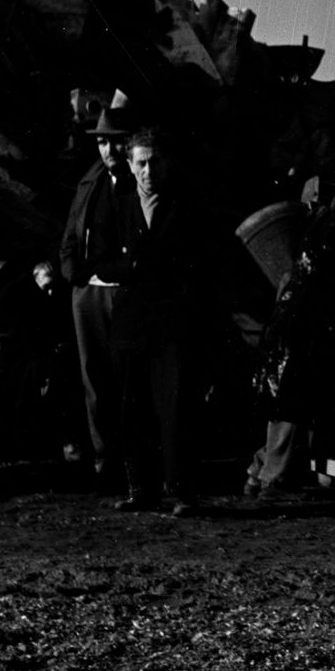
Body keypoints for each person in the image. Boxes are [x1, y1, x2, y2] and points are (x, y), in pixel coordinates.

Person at [248, 154, 335, 501]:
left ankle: (257, 474)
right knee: (290, 408)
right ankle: (273, 482)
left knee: (288, 406)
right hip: (304, 331)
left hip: (295, 327)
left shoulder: (326, 222)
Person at [111, 130, 209, 515]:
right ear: (131, 166)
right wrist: (127, 267)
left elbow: (201, 263)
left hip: (173, 322)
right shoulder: (118, 206)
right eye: (141, 163)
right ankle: (141, 489)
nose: (148, 170)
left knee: (177, 407)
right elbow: (96, 256)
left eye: (154, 161)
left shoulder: (186, 207)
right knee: (132, 408)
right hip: (132, 322)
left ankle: (184, 493)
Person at [58, 93, 139, 494]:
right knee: (94, 379)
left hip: (123, 293)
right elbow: (72, 232)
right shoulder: (91, 180)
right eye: (103, 141)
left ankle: (133, 464)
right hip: (88, 294)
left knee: (127, 380)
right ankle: (104, 462)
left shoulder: (142, 181)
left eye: (117, 140)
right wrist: (74, 275)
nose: (109, 149)